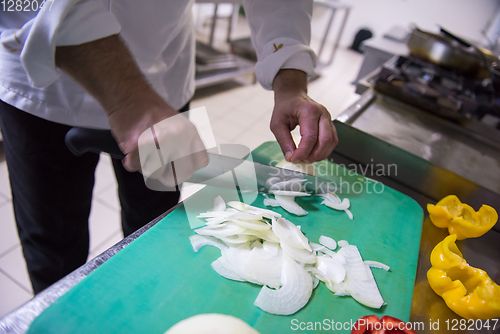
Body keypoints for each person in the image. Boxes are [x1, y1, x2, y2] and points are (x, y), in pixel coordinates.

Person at [0, 0, 338, 294]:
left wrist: (291, 81)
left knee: (154, 228)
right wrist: (130, 99)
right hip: (42, 87)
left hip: (164, 76)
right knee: (54, 250)